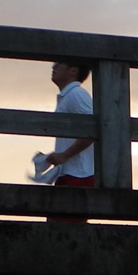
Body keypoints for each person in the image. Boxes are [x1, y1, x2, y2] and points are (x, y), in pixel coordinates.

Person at [42, 60, 96, 223]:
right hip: (71, 173)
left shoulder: (76, 95)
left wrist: (65, 155)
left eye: (58, 64)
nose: (53, 67)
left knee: (64, 230)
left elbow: (91, 131)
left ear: (73, 71)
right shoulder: (68, 96)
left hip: (78, 174)